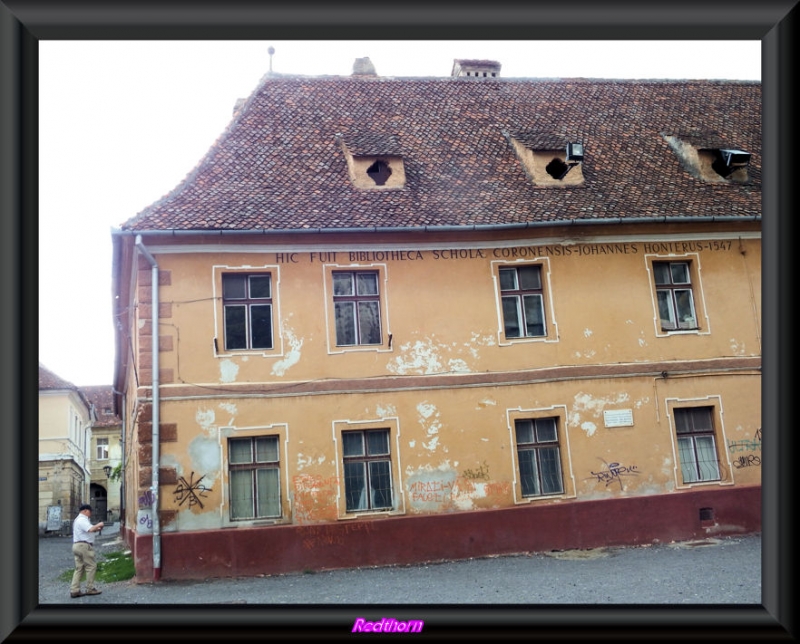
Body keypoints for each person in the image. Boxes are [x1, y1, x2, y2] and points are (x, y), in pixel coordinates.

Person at [70, 503, 104, 598]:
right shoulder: (82, 519)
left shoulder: (78, 520)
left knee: (79, 568)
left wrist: (97, 529)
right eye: (90, 511)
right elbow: (90, 529)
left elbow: (89, 530)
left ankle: (74, 590)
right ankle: (90, 588)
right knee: (91, 566)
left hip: (77, 545)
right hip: (84, 546)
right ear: (85, 511)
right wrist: (99, 524)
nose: (91, 513)